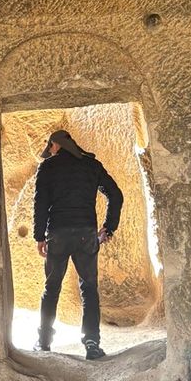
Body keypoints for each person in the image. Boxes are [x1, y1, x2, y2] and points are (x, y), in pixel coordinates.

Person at [32, 129, 123, 361]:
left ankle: (43, 342)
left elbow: (40, 204)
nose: (50, 151)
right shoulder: (91, 165)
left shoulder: (48, 168)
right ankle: (92, 344)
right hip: (86, 233)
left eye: (50, 147)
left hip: (58, 234)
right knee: (89, 288)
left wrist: (39, 237)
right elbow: (116, 194)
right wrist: (108, 227)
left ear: (55, 145)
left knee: (51, 288)